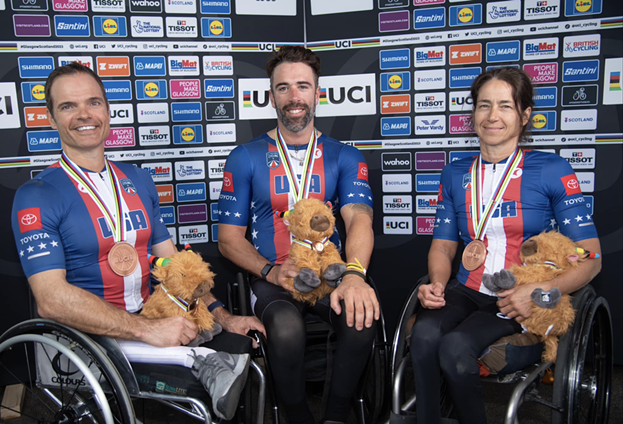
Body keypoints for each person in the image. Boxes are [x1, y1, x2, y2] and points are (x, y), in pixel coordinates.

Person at [10, 62, 266, 420]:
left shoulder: (138, 179)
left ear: (108, 111)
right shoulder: (35, 195)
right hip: (88, 337)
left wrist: (223, 316)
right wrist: (148, 331)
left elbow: (174, 265)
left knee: (239, 352)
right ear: (50, 119)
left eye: (93, 102)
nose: (84, 115)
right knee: (212, 377)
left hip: (150, 315)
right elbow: (51, 300)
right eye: (68, 106)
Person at [409, 67, 602, 424]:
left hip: (520, 297)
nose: (492, 116)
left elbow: (591, 259)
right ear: (473, 115)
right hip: (466, 288)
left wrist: (542, 289)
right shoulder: (455, 173)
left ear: (525, 115)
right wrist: (436, 282)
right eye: (484, 106)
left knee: (455, 347)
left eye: (505, 106)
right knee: (422, 334)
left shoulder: (551, 169)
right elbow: (443, 245)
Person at [217, 45, 380, 424]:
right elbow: (228, 239)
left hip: (331, 274)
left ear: (317, 93)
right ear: (271, 95)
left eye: (303, 86)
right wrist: (271, 271)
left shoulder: (345, 155)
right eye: (284, 87)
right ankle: (297, 417)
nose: (294, 97)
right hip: (272, 278)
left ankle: (336, 416)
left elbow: (359, 219)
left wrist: (355, 274)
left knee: (362, 320)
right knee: (286, 328)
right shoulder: (245, 157)